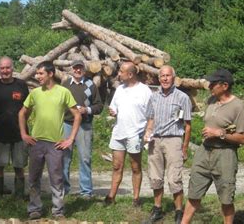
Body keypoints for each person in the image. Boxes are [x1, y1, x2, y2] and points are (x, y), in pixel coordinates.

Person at [182, 69, 244, 224]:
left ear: (224, 85)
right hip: (204, 152)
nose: (209, 85)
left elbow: (243, 138)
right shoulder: (211, 101)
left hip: (225, 155)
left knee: (226, 198)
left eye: (213, 83)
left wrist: (220, 133)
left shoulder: (237, 106)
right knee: (194, 192)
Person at [18, 61, 82, 220]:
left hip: (56, 144)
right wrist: (24, 134)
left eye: (41, 73)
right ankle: (34, 209)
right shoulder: (35, 93)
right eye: (37, 74)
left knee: (57, 178)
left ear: (51, 74)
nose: (37, 76)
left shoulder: (63, 92)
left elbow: (77, 115)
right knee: (33, 177)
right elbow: (21, 114)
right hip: (36, 142)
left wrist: (70, 139)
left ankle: (58, 210)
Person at [143, 65, 192, 224]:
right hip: (155, 141)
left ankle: (179, 212)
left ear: (173, 78)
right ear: (159, 79)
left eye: (168, 76)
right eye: (162, 76)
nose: (165, 79)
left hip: (174, 140)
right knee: (155, 176)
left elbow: (188, 125)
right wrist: (148, 132)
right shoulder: (153, 97)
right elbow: (150, 118)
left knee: (174, 178)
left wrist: (184, 148)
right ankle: (157, 209)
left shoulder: (182, 97)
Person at [104, 62, 152, 206]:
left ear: (130, 74)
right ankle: (111, 197)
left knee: (135, 167)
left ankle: (136, 198)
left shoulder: (145, 91)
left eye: (121, 71)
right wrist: (112, 112)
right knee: (117, 166)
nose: (118, 74)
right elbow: (113, 107)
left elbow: (151, 114)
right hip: (119, 132)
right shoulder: (119, 89)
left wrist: (148, 132)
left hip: (135, 133)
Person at [0, 56, 29, 197]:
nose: (5, 70)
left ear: (13, 68)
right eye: (2, 68)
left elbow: (28, 108)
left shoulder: (21, 85)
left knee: (19, 166)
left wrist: (21, 122)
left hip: (19, 133)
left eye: (8, 67)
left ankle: (19, 197)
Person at [61, 59, 103, 198]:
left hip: (84, 125)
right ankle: (64, 189)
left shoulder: (90, 85)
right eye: (75, 68)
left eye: (80, 68)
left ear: (84, 70)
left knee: (85, 158)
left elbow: (99, 106)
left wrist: (88, 110)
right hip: (67, 124)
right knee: (64, 158)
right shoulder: (65, 85)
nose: (77, 71)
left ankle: (86, 192)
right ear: (71, 70)